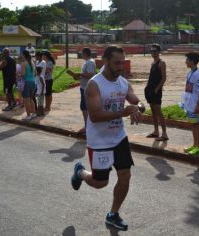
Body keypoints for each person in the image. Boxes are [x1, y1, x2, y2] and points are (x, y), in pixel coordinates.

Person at [70, 45, 145, 230]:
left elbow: (137, 101)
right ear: (105, 62)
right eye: (116, 63)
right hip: (99, 141)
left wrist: (139, 108)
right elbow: (94, 116)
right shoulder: (94, 85)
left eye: (123, 62)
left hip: (119, 138)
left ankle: (113, 213)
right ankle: (80, 172)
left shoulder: (123, 82)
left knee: (125, 176)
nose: (121, 67)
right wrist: (123, 112)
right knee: (100, 183)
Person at [182, 52, 199, 156]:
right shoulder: (190, 73)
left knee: (197, 124)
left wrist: (198, 104)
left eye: (187, 60)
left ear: (192, 61)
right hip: (190, 103)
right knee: (193, 124)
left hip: (195, 103)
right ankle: (195, 145)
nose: (185, 62)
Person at [144, 43, 168, 141]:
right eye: (151, 51)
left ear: (158, 52)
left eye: (154, 51)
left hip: (156, 90)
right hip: (150, 89)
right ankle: (156, 131)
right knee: (153, 111)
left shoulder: (161, 63)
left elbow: (164, 77)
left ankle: (164, 134)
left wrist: (157, 89)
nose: (153, 53)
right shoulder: (153, 63)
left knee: (158, 111)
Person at [74, 47, 96, 133]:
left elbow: (90, 75)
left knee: (85, 107)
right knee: (84, 107)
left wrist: (79, 74)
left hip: (87, 88)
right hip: (84, 86)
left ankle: (88, 127)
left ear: (85, 53)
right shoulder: (87, 62)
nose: (81, 54)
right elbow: (86, 74)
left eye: (82, 53)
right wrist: (79, 76)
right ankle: (87, 126)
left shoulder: (90, 62)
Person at [21, 50, 36, 121]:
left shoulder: (23, 63)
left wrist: (19, 74)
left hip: (26, 82)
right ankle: (33, 113)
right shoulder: (32, 62)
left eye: (22, 55)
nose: (21, 56)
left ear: (24, 55)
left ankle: (28, 115)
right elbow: (35, 73)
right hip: (33, 82)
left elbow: (23, 74)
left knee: (26, 100)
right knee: (31, 98)